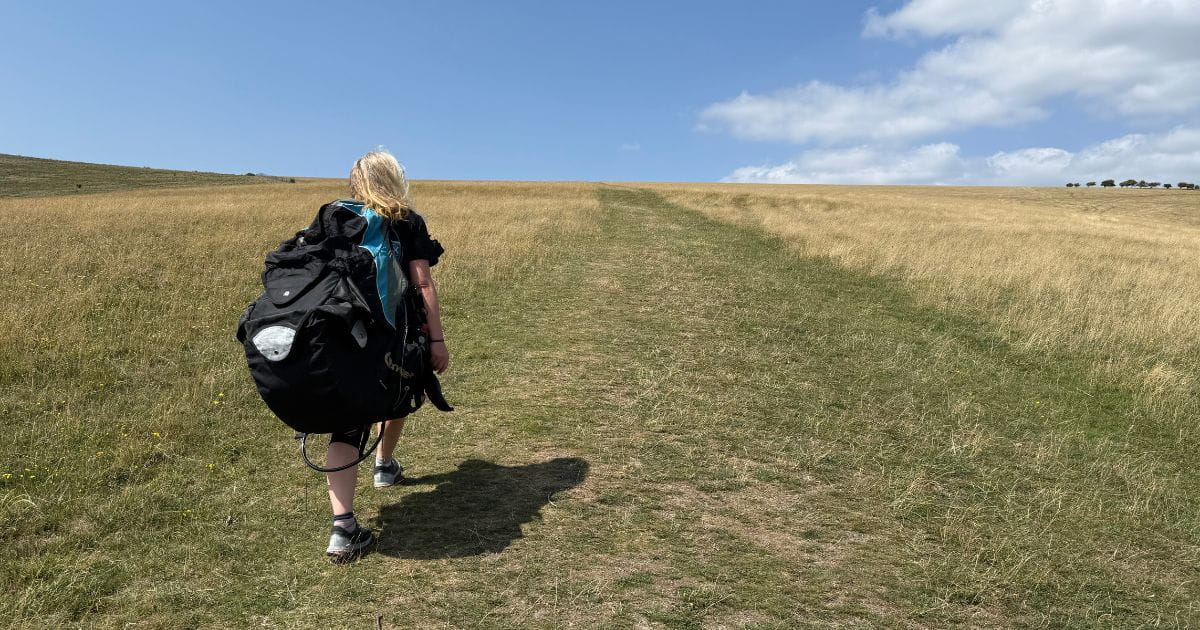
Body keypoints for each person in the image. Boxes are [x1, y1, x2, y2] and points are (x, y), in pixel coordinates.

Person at [323, 150, 449, 563]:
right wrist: (436, 340)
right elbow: (424, 284)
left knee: (345, 426)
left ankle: (342, 529)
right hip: (394, 335)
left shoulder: (335, 215)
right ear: (394, 179)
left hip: (343, 334)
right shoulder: (407, 221)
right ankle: (384, 464)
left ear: (356, 181)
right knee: (399, 391)